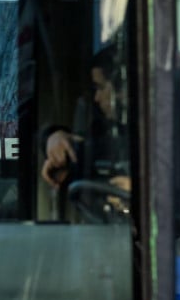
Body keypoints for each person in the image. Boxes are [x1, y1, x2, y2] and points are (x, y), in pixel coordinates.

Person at [41, 44, 129, 193]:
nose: (96, 98)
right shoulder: (107, 128)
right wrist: (53, 138)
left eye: (100, 88)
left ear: (122, 88)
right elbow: (89, 152)